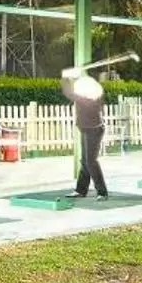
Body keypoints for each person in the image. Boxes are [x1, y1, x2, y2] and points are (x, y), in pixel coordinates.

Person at [62, 65, 109, 199]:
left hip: (94, 130)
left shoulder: (89, 98)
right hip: (87, 129)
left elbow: (68, 92)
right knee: (85, 161)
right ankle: (81, 190)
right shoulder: (92, 95)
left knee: (91, 161)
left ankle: (102, 192)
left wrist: (66, 76)